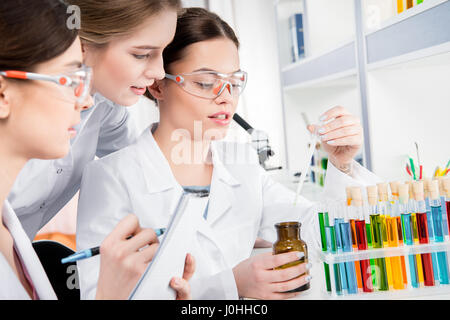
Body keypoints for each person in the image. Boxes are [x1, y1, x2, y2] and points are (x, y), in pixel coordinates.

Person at [76, 7, 381, 300]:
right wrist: (230, 284)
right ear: (157, 85)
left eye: (234, 83)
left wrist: (341, 163)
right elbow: (100, 296)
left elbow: (321, 234)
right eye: (206, 83)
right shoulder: (110, 178)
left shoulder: (241, 164)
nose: (226, 98)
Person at [0, 0, 193, 300]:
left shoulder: (106, 110)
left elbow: (144, 177)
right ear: (83, 44)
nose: (158, 72)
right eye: (141, 53)